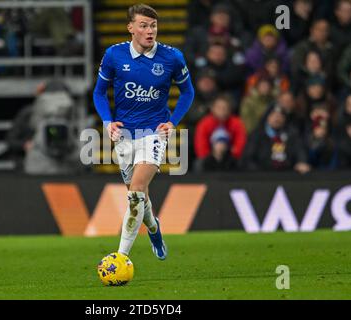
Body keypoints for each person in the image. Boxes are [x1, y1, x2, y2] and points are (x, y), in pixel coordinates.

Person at [93, 4, 194, 260]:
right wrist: (107, 121)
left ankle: (120, 256)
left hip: (154, 133)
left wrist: (173, 122)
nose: (150, 31)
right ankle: (154, 228)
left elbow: (188, 92)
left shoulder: (172, 57)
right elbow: (99, 93)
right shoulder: (114, 55)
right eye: (144, 26)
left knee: (136, 192)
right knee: (138, 198)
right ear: (131, 28)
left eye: (153, 26)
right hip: (125, 135)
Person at [241, 105, 311, 174]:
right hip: (263, 176)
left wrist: (302, 162)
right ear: (267, 117)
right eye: (274, 115)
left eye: (280, 116)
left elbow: (300, 151)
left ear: (285, 119)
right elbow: (248, 159)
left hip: (288, 174)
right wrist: (259, 172)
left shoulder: (292, 134)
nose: (277, 119)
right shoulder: (257, 135)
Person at [194, 94, 247, 170]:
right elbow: (201, 149)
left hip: (230, 159)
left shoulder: (237, 123)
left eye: (225, 108)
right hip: (210, 159)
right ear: (212, 108)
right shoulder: (204, 124)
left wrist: (228, 153)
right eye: (219, 108)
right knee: (199, 163)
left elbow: (240, 145)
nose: (222, 111)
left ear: (229, 110)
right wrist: (214, 155)